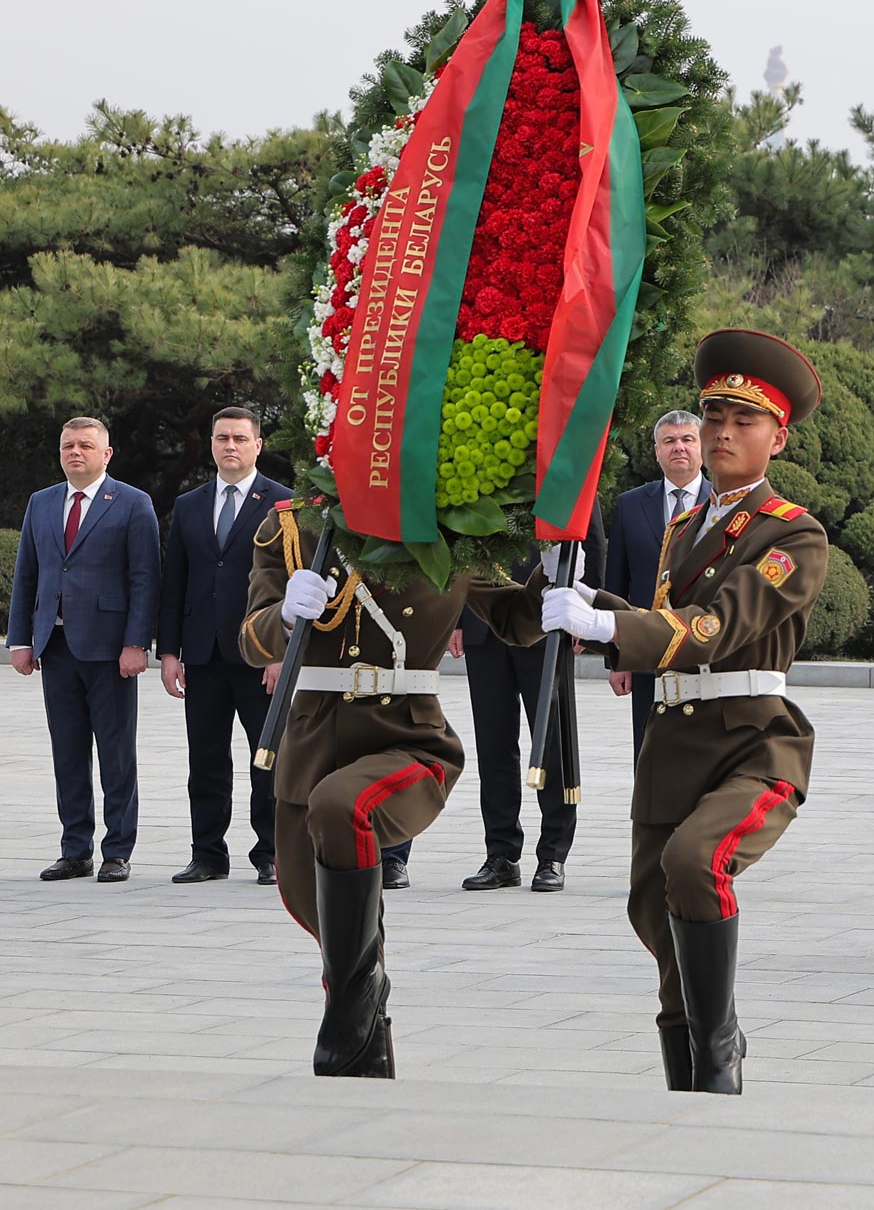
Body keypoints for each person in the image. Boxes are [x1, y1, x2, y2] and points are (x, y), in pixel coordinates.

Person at [541, 328, 827, 1094]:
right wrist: (576, 603)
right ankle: (691, 1074)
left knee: (695, 863)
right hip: (672, 745)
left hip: (750, 741)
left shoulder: (792, 532)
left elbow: (717, 625)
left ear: (778, 435)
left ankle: (718, 1044)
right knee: (652, 907)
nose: (723, 433)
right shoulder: (682, 526)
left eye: (744, 421)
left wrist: (609, 627)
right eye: (714, 417)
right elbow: (660, 613)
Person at [239, 506, 546, 1077]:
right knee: (322, 915)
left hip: (407, 737)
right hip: (313, 741)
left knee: (344, 806)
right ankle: (367, 1051)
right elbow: (250, 637)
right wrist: (282, 617)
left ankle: (354, 1010)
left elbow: (516, 618)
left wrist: (554, 575)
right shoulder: (291, 528)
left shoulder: (451, 526)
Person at [8, 417, 160, 884]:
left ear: (106, 454)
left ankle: (117, 850)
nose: (76, 452)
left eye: (86, 445)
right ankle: (75, 849)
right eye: (69, 445)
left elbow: (145, 578)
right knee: (67, 753)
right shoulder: (42, 502)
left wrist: (137, 643)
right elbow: (27, 575)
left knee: (116, 754)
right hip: (55, 648)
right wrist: (20, 638)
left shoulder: (133, 503)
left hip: (111, 651)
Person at [157, 407, 289, 886]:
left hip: (260, 655)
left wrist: (281, 652)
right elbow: (176, 583)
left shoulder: (284, 503)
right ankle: (207, 853)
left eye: (239, 438)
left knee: (267, 757)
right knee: (206, 759)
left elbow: (292, 584)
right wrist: (169, 651)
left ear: (258, 445)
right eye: (220, 438)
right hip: (203, 653)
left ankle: (272, 853)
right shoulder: (190, 505)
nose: (229, 446)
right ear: (211, 445)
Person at [454, 505, 606, 894]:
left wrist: (584, 615)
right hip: (481, 621)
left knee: (551, 740)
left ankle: (552, 853)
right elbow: (456, 540)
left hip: (546, 617)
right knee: (493, 744)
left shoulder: (560, 461)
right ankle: (501, 853)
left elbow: (591, 541)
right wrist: (455, 617)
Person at [605, 410, 711, 756]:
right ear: (656, 451)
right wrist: (617, 659)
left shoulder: (726, 505)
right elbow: (616, 584)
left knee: (703, 753)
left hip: (706, 649)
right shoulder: (630, 505)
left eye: (687, 439)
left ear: (703, 447)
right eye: (669, 441)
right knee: (648, 750)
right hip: (647, 650)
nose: (678, 447)